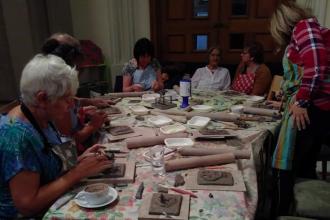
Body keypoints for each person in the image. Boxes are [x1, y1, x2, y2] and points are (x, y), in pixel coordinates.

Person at [0, 54, 113, 218]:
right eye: (66, 99)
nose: (72, 104)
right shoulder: (17, 136)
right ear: (42, 98)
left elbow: (46, 166)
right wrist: (77, 173)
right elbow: (27, 204)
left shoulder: (42, 116)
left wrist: (78, 161)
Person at [270, 0, 330, 216]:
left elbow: (317, 64)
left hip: (314, 108)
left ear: (281, 23)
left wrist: (301, 100)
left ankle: (280, 212)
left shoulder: (303, 27)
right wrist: (286, 99)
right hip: (318, 108)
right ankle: (299, 209)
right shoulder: (310, 29)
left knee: (285, 164)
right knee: (305, 163)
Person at [41, 33, 111, 152]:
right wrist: (92, 126)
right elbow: (67, 143)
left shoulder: (49, 79)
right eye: (78, 68)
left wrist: (88, 103)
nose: (79, 72)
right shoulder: (54, 93)